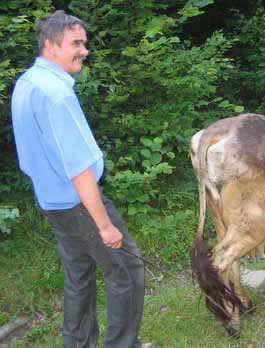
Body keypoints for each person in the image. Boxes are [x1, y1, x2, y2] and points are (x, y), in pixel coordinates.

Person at [11, 10, 157, 348]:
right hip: (78, 204)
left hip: (51, 202)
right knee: (127, 271)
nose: (84, 50)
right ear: (51, 45)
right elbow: (79, 170)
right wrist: (105, 226)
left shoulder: (27, 83)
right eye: (76, 43)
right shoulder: (57, 95)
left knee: (79, 277)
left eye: (85, 43)